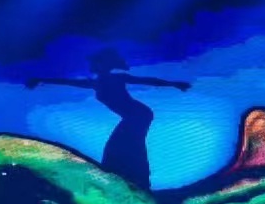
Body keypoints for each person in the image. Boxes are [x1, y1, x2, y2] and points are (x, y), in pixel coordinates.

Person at [27, 49, 190, 191]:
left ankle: (136, 181)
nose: (91, 65)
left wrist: (174, 84)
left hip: (139, 115)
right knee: (124, 147)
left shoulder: (116, 78)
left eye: (94, 62)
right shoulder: (95, 83)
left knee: (123, 147)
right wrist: (41, 80)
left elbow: (148, 80)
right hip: (135, 116)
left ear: (101, 64)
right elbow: (68, 82)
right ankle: (133, 180)